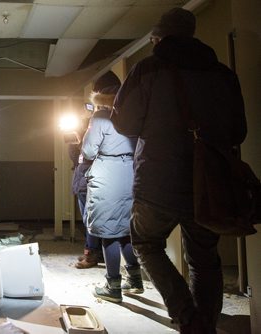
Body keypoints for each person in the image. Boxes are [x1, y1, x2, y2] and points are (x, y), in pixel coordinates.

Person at [112, 8, 247, 333]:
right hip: (209, 183)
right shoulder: (222, 73)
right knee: (203, 256)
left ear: (161, 37)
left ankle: (187, 316)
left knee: (145, 242)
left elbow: (123, 122)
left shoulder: (148, 69)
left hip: (158, 182)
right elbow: (238, 131)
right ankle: (206, 323)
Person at [81, 71, 143, 303]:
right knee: (126, 231)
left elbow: (88, 151)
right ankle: (135, 280)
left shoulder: (100, 118)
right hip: (132, 172)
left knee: (108, 233)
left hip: (108, 174)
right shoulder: (135, 115)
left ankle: (113, 285)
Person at [68, 129, 103, 269]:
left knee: (91, 221)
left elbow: (89, 156)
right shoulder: (83, 138)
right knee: (87, 220)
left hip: (89, 185)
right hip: (81, 185)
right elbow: (76, 160)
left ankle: (91, 255)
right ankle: (94, 252)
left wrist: (82, 140)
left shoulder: (95, 135)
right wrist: (73, 142)